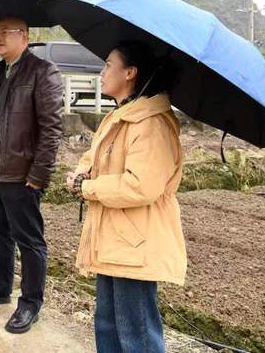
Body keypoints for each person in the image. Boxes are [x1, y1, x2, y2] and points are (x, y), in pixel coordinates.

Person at [66, 41, 185, 353]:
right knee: (108, 325)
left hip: (135, 245)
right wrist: (81, 176)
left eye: (108, 65)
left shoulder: (151, 124)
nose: (102, 72)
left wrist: (88, 188)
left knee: (137, 334)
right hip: (113, 240)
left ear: (130, 73)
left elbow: (141, 185)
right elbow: (93, 158)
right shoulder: (120, 117)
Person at [0, 16, 63, 334]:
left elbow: (51, 129)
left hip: (21, 172)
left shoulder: (42, 71)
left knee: (29, 239)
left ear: (25, 36)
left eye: (5, 33)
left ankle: (30, 302)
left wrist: (39, 174)